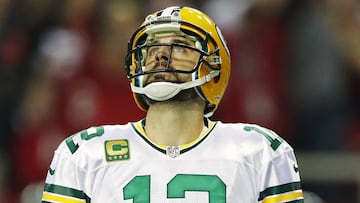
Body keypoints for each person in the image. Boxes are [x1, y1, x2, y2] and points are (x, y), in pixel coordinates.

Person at [41, 6, 304, 202]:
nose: (160, 55)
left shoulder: (260, 150)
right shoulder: (83, 153)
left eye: (179, 47)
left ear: (213, 65)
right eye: (151, 49)